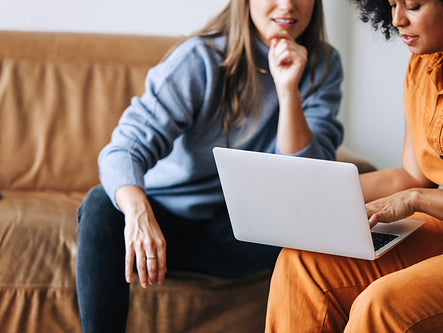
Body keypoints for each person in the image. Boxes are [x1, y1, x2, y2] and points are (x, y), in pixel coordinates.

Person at [76, 0, 343, 332]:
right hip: (164, 224)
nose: (287, 5)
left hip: (236, 233)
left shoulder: (323, 65)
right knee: (101, 203)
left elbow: (308, 180)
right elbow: (123, 150)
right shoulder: (200, 59)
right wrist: (138, 213)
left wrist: (288, 90)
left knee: (322, 220)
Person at [265, 0, 443, 332]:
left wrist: (419, 199)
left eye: (414, 6)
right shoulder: (422, 66)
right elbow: (412, 175)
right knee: (302, 262)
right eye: (392, 5)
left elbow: (418, 190)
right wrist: (316, 193)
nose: (397, 19)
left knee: (383, 304)